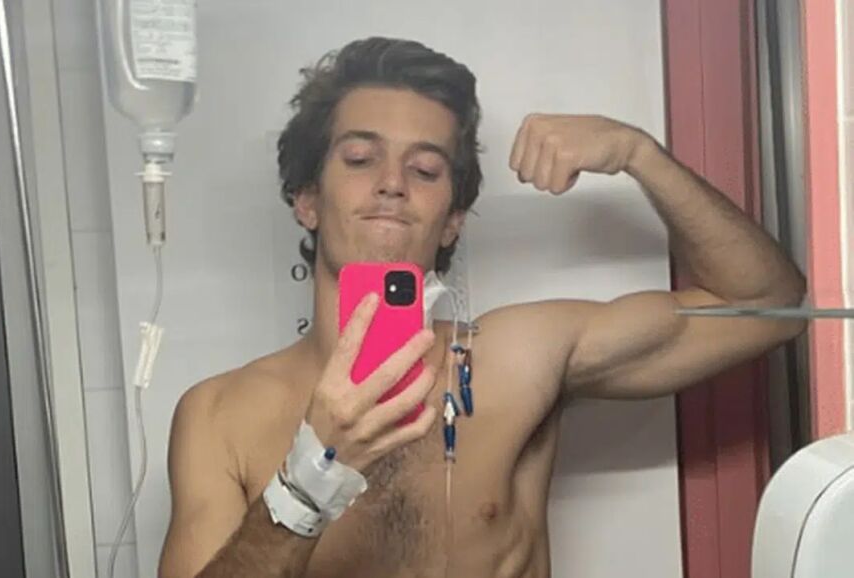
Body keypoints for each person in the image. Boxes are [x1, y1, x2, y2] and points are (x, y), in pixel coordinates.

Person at [157, 37, 806, 578]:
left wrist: (639, 154)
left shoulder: (517, 361)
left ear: (452, 221)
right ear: (307, 200)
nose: (392, 183)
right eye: (360, 158)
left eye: (426, 170)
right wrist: (308, 480)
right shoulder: (220, 417)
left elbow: (765, 304)